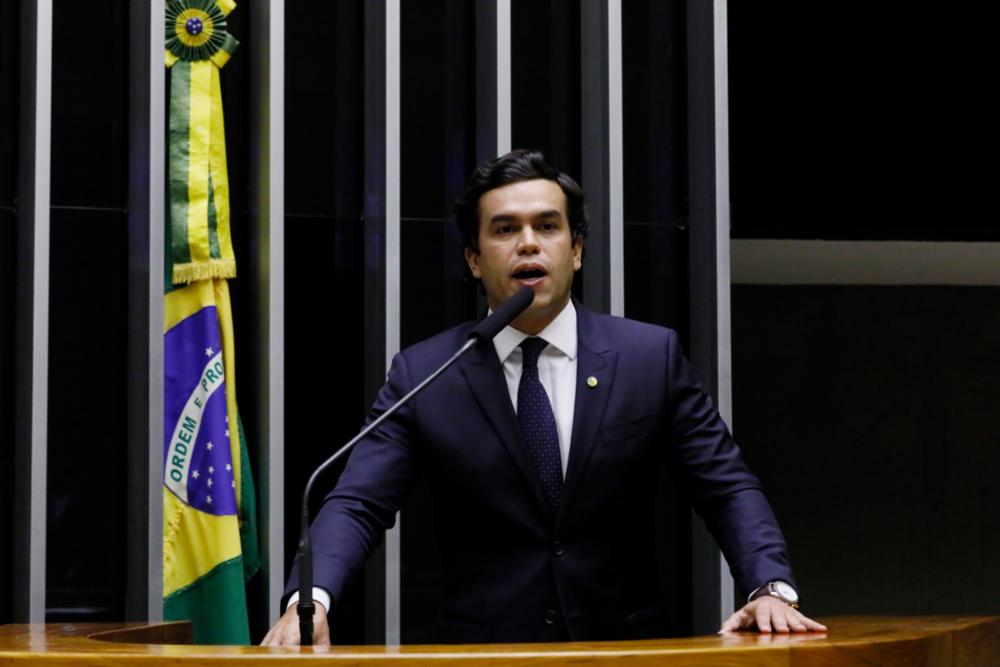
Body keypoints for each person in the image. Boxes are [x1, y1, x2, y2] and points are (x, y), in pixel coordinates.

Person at [262, 150, 826, 646]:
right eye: (505, 229)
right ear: (474, 260)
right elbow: (358, 502)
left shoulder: (647, 358)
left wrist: (770, 586)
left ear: (576, 250)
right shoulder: (427, 372)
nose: (528, 242)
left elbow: (724, 486)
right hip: (486, 657)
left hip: (626, 651)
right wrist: (309, 600)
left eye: (548, 227)